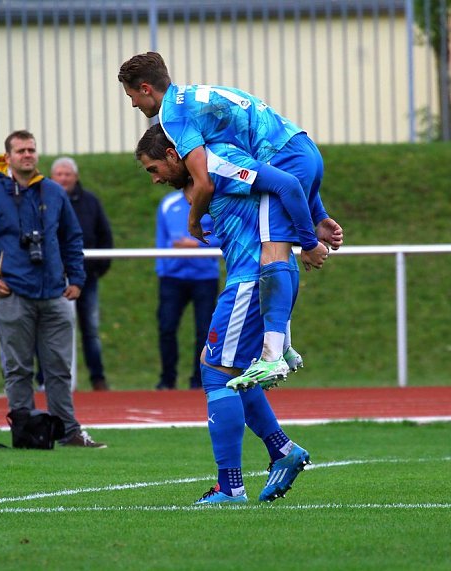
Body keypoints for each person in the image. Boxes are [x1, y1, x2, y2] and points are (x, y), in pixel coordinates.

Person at [119, 52, 342, 390]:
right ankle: (282, 348)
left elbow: (205, 180)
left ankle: (272, 354)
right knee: (274, 255)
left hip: (280, 158)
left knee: (272, 254)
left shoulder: (172, 117)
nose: (133, 104)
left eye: (132, 96)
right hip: (301, 146)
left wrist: (310, 244)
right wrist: (319, 215)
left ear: (146, 88)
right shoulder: (190, 95)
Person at [136, 124, 313, 504]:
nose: (154, 180)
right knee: (221, 367)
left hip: (252, 279)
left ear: (172, 154)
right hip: (254, 276)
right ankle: (281, 450)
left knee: (216, 372)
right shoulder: (209, 174)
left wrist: (310, 238)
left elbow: (288, 183)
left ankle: (231, 486)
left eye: (153, 169)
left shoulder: (221, 162)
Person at [0, 130, 105, 448]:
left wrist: (77, 279)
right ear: (7, 157)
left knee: (58, 367)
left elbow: (72, 237)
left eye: (32, 150)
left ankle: (69, 431)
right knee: (18, 367)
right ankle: (25, 433)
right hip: (12, 291)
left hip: (54, 291)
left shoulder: (53, 192)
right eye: (21, 150)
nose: (27, 155)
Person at [49, 157, 113, 391]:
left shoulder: (91, 202)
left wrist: (97, 268)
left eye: (67, 174)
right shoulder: (42, 200)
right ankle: (47, 379)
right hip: (52, 279)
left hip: (87, 277)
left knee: (91, 329)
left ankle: (98, 378)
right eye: (59, 174)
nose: (63, 178)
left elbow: (105, 236)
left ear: (75, 177)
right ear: (52, 176)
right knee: (50, 329)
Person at [155, 189, 219, 390]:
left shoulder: (212, 204)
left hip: (205, 277)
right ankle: (167, 379)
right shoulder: (168, 203)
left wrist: (198, 247)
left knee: (204, 330)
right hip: (172, 277)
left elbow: (223, 236)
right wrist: (162, 268)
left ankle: (199, 380)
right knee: (167, 327)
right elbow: (161, 238)